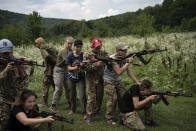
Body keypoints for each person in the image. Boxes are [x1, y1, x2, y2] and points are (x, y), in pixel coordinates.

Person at [103, 43, 140, 125]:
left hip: (117, 80)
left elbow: (129, 71)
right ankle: (109, 118)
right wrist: (128, 62)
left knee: (124, 97)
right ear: (117, 51)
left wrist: (137, 82)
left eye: (126, 50)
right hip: (109, 80)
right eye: (123, 50)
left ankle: (122, 116)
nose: (125, 52)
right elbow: (119, 72)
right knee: (113, 99)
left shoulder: (124, 58)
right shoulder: (112, 59)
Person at [0, 39, 30, 131]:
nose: (6, 55)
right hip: (3, 96)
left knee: (24, 119)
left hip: (17, 95)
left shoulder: (17, 61)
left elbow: (24, 81)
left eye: (8, 53)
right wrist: (5, 71)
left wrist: (20, 96)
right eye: (3, 53)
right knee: (5, 121)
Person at [83, 38, 108, 125]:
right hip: (91, 79)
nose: (98, 48)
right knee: (91, 98)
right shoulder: (87, 54)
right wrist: (96, 65)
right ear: (93, 46)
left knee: (100, 96)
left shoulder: (103, 52)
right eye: (97, 47)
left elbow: (107, 60)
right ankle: (89, 117)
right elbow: (85, 67)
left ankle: (96, 111)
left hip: (100, 78)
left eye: (99, 46)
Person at [50, 37, 74, 112]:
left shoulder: (71, 51)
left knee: (68, 87)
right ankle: (53, 106)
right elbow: (68, 60)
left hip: (66, 69)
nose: (69, 45)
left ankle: (70, 103)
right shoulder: (63, 51)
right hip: (59, 70)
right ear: (65, 43)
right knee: (59, 88)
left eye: (71, 43)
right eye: (68, 43)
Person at [66, 39, 87, 119]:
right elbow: (68, 68)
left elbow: (86, 66)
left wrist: (82, 65)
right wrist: (75, 67)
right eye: (77, 47)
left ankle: (84, 112)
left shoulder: (83, 55)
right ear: (74, 47)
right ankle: (73, 109)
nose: (78, 48)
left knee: (82, 95)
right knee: (72, 94)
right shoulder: (70, 55)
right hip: (71, 77)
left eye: (80, 47)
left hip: (81, 77)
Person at [34, 37, 58, 108]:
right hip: (55, 69)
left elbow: (47, 56)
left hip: (49, 71)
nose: (36, 45)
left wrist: (53, 61)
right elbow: (57, 53)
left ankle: (44, 103)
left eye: (36, 44)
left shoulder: (42, 48)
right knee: (55, 86)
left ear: (39, 43)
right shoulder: (50, 46)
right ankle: (55, 102)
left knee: (45, 85)